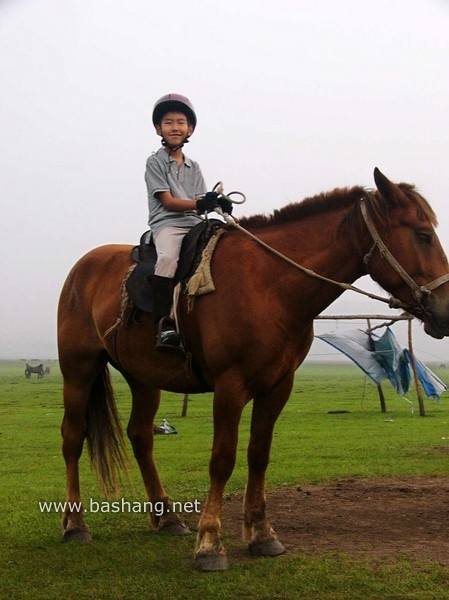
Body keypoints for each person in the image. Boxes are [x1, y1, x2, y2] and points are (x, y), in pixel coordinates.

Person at [145, 93, 232, 352]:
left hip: (194, 222)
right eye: (169, 122)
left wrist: (218, 203)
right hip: (168, 224)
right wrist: (200, 203)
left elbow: (200, 199)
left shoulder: (194, 166)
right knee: (168, 260)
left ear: (190, 128)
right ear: (158, 128)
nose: (175, 127)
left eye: (181, 122)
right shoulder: (155, 162)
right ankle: (165, 324)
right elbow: (169, 201)